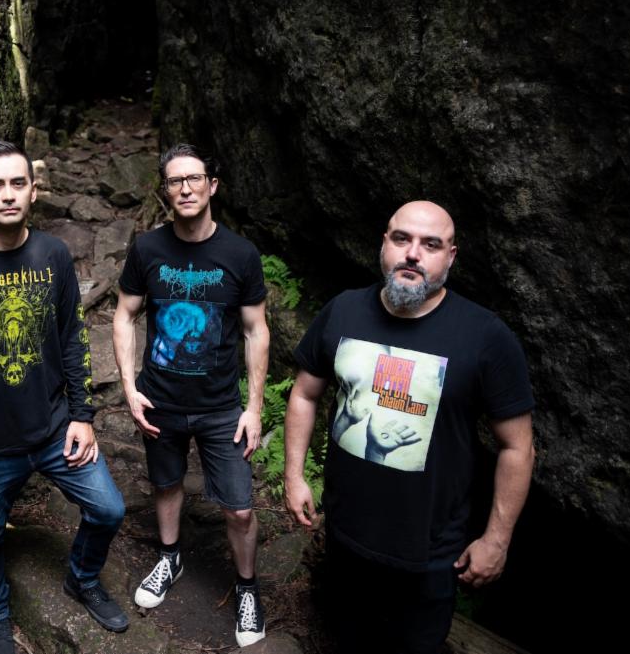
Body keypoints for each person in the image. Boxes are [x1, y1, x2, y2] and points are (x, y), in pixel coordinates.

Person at [284, 200, 535, 654]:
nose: (413, 254)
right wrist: (294, 475)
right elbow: (304, 394)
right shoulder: (344, 311)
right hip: (344, 533)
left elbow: (518, 447)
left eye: (431, 244)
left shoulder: (485, 337)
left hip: (429, 553)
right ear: (384, 244)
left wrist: (496, 540)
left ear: (451, 256)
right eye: (402, 239)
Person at [0, 141, 128, 654]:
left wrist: (82, 416)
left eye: (18, 183)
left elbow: (73, 339)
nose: (8, 195)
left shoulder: (53, 255)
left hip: (55, 429)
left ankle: (82, 578)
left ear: (33, 191)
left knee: (108, 510)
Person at [113, 143, 270, 647]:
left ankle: (247, 588)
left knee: (239, 508)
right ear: (165, 191)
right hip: (160, 399)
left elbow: (256, 330)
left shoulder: (240, 254)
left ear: (212, 186)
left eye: (194, 178)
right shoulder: (147, 249)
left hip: (221, 406)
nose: (185, 188)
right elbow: (125, 315)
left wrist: (254, 407)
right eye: (175, 181)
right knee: (166, 484)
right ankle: (169, 557)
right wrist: (129, 387)